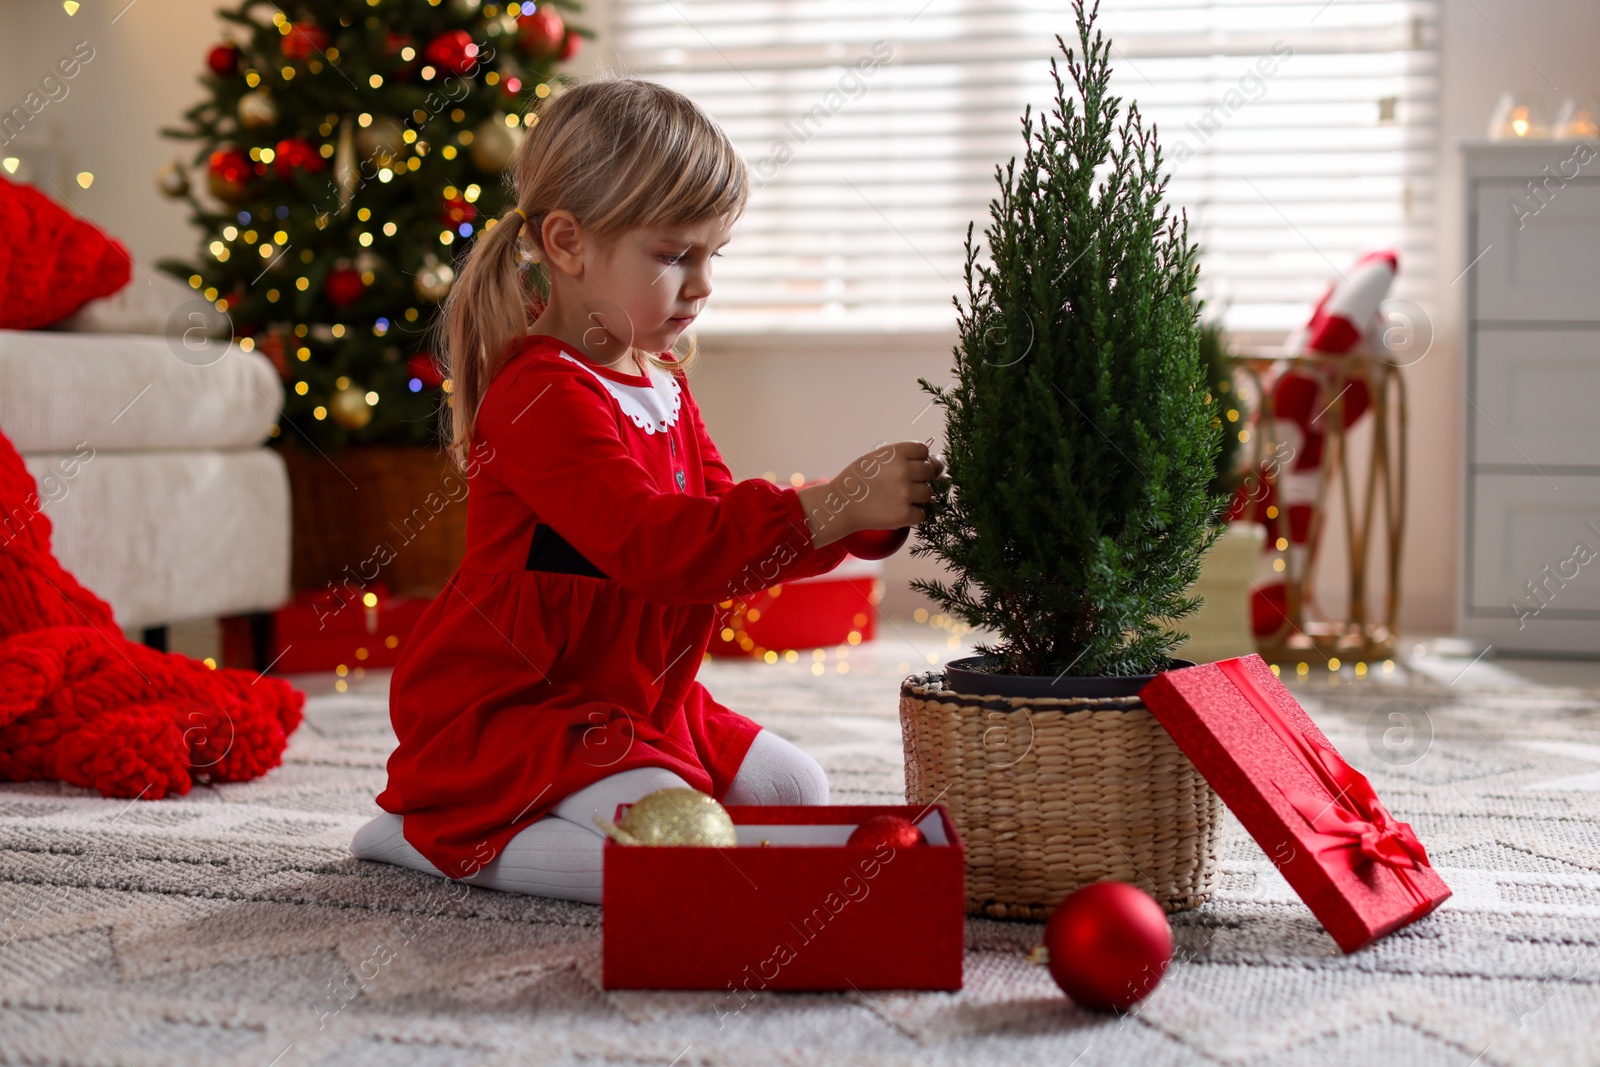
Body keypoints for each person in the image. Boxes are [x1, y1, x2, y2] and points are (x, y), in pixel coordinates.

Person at [349, 76, 943, 903]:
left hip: (639, 699)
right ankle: (428, 832)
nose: (702, 285)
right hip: (523, 704)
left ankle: (566, 810)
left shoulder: (661, 382)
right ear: (567, 244)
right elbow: (658, 547)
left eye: (713, 255)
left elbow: (722, 539)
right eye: (673, 255)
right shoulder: (540, 396)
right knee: (682, 846)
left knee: (794, 789)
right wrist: (833, 503)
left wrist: (858, 519)